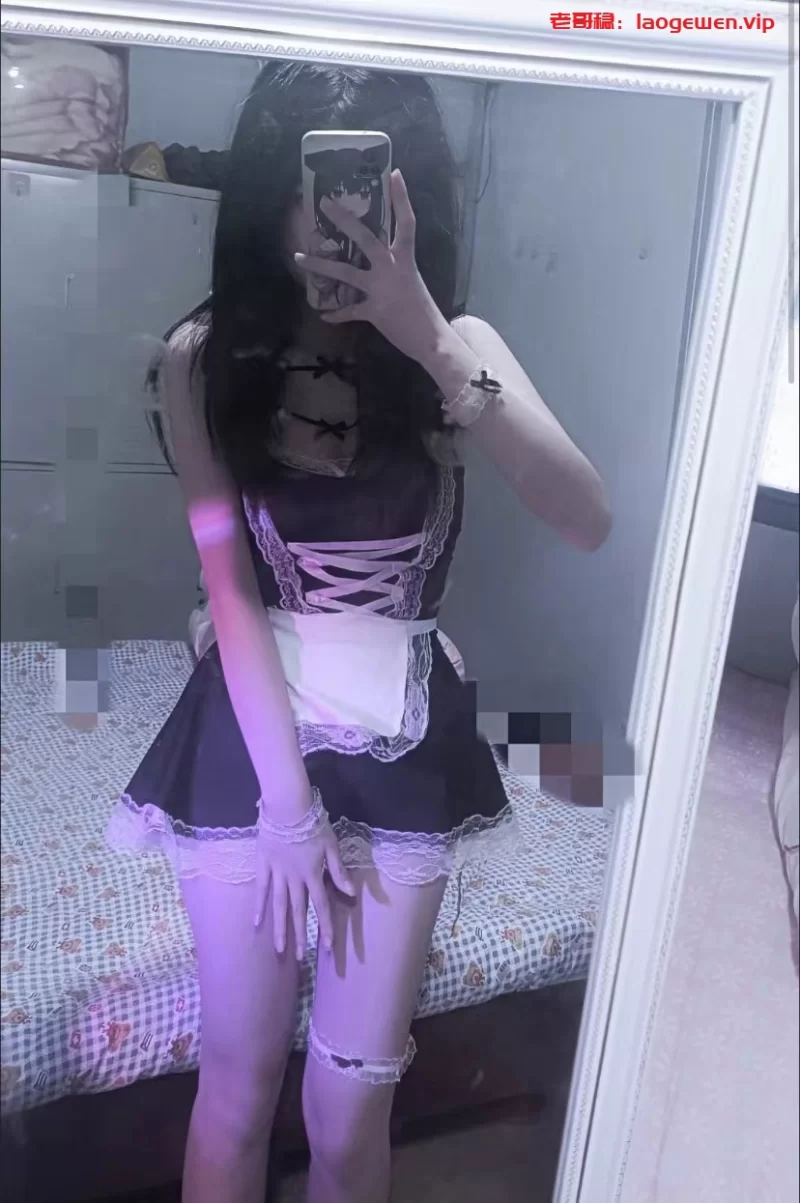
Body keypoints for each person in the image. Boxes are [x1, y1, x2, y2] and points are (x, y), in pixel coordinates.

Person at [106, 60, 612, 1203]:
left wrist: (426, 334)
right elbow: (227, 585)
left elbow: (585, 519)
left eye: (360, 191)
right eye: (310, 192)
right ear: (266, 198)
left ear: (404, 193)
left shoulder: (455, 344)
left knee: (346, 1111)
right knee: (235, 1090)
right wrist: (287, 810)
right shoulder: (202, 358)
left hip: (404, 736)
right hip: (249, 731)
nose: (333, 224)